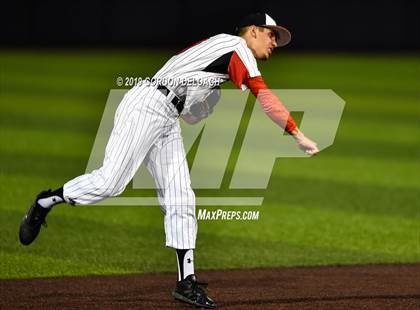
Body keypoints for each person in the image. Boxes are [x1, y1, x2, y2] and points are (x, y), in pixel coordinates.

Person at [19, 12, 319, 309]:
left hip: (166, 116)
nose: (275, 43)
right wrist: (297, 133)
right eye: (271, 34)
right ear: (252, 31)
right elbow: (264, 97)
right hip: (147, 106)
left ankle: (185, 282)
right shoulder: (238, 48)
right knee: (110, 183)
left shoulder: (220, 57)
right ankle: (45, 202)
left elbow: (187, 115)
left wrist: (199, 108)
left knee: (181, 198)